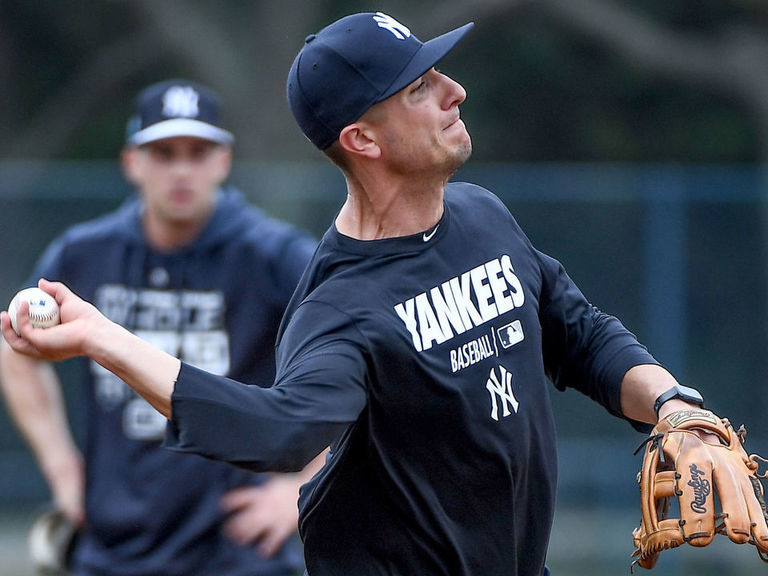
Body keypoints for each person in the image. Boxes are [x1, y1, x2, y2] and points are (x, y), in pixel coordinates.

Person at [2, 13, 713, 576]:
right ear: (363, 139)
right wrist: (103, 339)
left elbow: (576, 331)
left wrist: (674, 406)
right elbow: (280, 430)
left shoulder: (483, 216)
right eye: (418, 87)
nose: (453, 91)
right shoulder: (341, 309)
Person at [0, 79, 321, 576]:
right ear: (132, 162)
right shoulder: (86, 253)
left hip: (235, 551)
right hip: (112, 548)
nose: (181, 169)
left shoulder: (272, 255)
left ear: (223, 162)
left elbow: (364, 361)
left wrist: (304, 485)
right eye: (163, 152)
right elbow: (14, 350)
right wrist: (62, 468)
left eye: (198, 152)